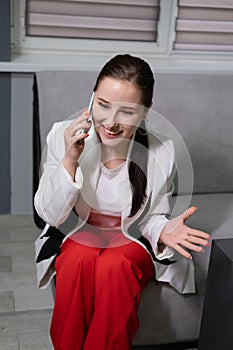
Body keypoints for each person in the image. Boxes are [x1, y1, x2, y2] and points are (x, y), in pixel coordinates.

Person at [34, 54, 210, 350]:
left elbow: (151, 217)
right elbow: (49, 213)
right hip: (81, 229)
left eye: (127, 111)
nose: (111, 122)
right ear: (92, 99)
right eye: (103, 105)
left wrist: (164, 231)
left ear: (145, 111)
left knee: (115, 267)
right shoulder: (60, 135)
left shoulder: (161, 151)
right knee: (78, 260)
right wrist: (69, 160)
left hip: (130, 237)